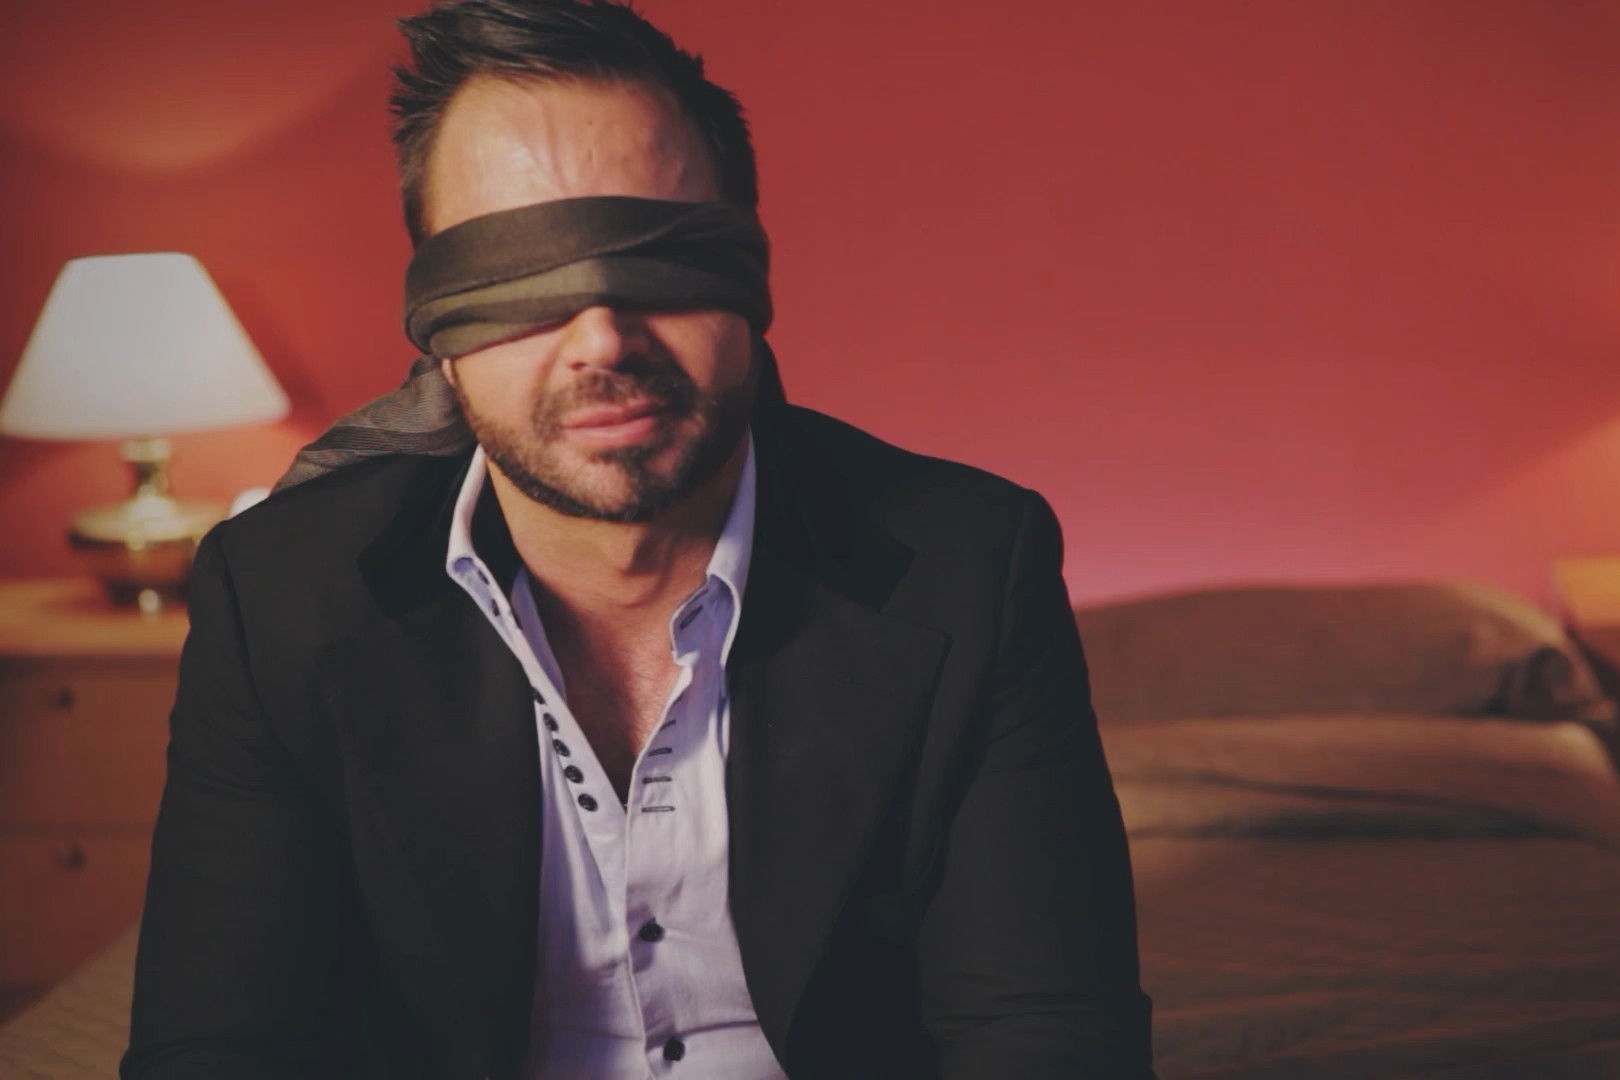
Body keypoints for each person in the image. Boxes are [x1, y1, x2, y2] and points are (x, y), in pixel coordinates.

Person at [122, 1, 1152, 1077]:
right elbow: (219, 1046)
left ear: (749, 284)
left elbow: (1045, 1031)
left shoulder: (971, 566)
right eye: (521, 273)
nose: (602, 339)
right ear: (441, 333)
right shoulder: (279, 598)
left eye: (659, 258)